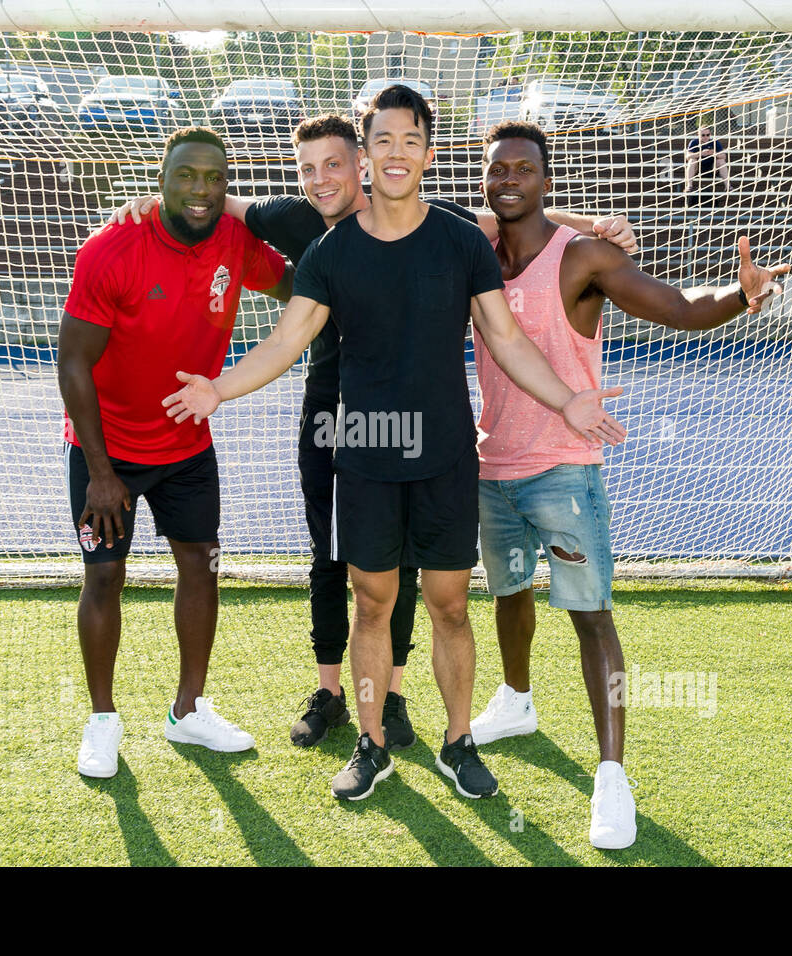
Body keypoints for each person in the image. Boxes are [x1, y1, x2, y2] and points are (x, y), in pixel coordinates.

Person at [111, 115, 637, 752]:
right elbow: (247, 257)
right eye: (308, 169)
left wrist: (596, 228)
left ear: (366, 163)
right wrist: (151, 201)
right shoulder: (314, 232)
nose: (320, 179)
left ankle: (408, 704)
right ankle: (339, 698)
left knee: (431, 583)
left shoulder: (444, 230)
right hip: (340, 424)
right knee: (344, 565)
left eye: (334, 164)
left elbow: (502, 243)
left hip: (430, 437)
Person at [468, 121, 789, 849]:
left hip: (565, 465)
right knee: (509, 595)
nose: (510, 179)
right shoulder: (474, 253)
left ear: (547, 180)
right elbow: (419, 210)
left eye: (524, 169)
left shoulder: (581, 256)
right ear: (485, 180)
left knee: (590, 616)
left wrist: (740, 297)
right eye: (498, 171)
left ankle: (612, 776)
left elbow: (676, 307)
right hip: (493, 463)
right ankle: (516, 699)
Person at [58, 127, 292, 778]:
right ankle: (103, 719)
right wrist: (101, 475)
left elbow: (297, 283)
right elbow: (73, 363)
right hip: (107, 450)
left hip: (188, 445)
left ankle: (188, 711)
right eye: (186, 175)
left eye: (215, 178)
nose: (201, 190)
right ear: (160, 179)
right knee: (105, 575)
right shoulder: (112, 249)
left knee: (201, 564)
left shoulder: (236, 241)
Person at [684, 125, 729, 201]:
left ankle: (728, 186)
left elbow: (724, 156)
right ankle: (689, 186)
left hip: (712, 168)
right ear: (698, 135)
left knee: (721, 160)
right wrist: (700, 153)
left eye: (708, 135)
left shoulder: (714, 142)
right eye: (703, 135)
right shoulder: (694, 142)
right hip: (698, 169)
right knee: (692, 160)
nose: (705, 137)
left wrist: (714, 153)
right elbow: (687, 157)